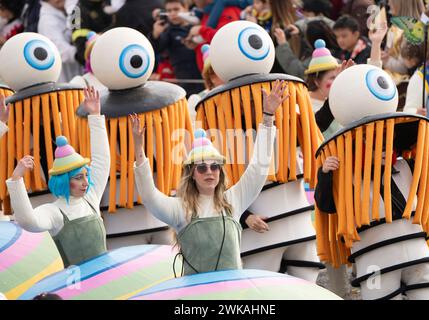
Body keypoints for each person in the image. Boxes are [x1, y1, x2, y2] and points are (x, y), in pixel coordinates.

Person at [132, 80, 288, 275]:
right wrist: (139, 149)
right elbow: (149, 196)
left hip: (231, 294)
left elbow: (259, 167)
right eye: (202, 168)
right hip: (195, 297)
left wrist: (268, 117)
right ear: (191, 175)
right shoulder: (180, 208)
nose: (209, 171)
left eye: (215, 167)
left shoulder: (233, 200)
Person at [6, 86, 110, 267]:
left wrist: (95, 116)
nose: (86, 182)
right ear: (63, 181)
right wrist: (16, 179)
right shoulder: (54, 212)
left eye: (86, 176)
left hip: (105, 278)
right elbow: (27, 221)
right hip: (75, 286)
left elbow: (102, 160)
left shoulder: (91, 198)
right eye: (78, 178)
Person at [151, 0, 204, 96]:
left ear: (186, 9)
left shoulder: (199, 23)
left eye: (176, 9)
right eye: (169, 10)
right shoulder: (168, 31)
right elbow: (157, 49)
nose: (172, 13)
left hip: (204, 78)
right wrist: (156, 34)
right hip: (184, 82)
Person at [38, 0, 83, 83]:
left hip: (80, 70)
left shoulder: (72, 8)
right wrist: (80, 54)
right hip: (67, 76)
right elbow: (58, 49)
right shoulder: (47, 21)